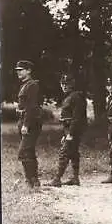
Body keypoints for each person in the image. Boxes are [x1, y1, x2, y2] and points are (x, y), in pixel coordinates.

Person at [45, 74, 87, 187]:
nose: (64, 86)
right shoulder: (68, 97)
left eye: (66, 84)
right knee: (73, 153)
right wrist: (66, 133)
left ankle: (57, 179)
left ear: (72, 84)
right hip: (68, 129)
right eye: (62, 84)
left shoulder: (76, 97)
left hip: (73, 129)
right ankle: (75, 178)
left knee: (64, 153)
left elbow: (77, 118)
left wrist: (71, 133)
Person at [14, 60, 43, 188]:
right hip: (23, 120)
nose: (18, 72)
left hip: (30, 122)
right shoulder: (24, 85)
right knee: (28, 151)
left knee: (24, 151)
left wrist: (26, 124)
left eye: (21, 70)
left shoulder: (32, 85)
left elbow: (32, 107)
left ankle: (32, 180)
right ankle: (32, 181)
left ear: (29, 70)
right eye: (17, 70)